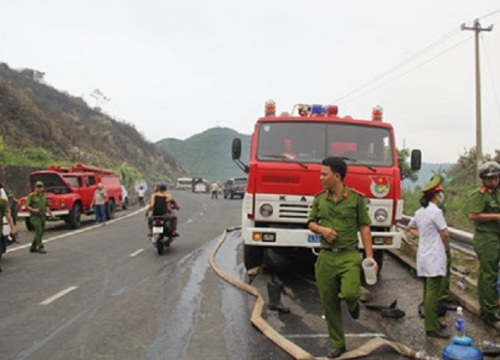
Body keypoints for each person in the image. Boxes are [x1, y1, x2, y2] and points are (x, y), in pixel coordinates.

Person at [307, 156, 375, 359]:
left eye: (324, 174)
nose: (320, 178)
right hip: (326, 257)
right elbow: (310, 222)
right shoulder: (320, 199)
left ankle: (353, 305)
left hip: (349, 256)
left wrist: (369, 257)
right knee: (329, 303)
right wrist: (322, 229)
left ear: (337, 176)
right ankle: (338, 343)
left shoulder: (356, 199)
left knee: (351, 293)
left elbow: (364, 227)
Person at [406, 176, 450, 339]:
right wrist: (444, 245)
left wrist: (422, 235)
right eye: (440, 193)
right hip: (434, 254)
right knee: (433, 292)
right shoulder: (436, 212)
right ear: (436, 195)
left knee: (427, 290)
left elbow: (409, 227)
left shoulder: (420, 212)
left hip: (423, 254)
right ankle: (431, 326)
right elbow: (445, 233)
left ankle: (433, 322)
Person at [467, 161, 500, 324]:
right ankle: (489, 309)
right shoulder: (480, 195)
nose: (493, 181)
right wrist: (495, 216)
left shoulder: (497, 193)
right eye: (490, 179)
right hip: (486, 238)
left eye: (495, 178)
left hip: (497, 236)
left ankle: (488, 304)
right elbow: (473, 214)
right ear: (483, 179)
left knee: (489, 273)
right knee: (489, 274)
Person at [26, 181, 54, 254]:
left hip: (42, 216)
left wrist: (50, 213)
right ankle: (41, 247)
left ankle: (33, 246)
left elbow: (46, 206)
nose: (39, 188)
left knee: (41, 232)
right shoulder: (31, 196)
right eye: (38, 187)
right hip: (35, 216)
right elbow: (28, 206)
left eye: (41, 187)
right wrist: (34, 210)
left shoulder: (43, 196)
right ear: (35, 188)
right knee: (38, 230)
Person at [0, 191, 16, 272]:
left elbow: (8, 215)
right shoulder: (3, 201)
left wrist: (12, 227)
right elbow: (8, 215)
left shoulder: (3, 201)